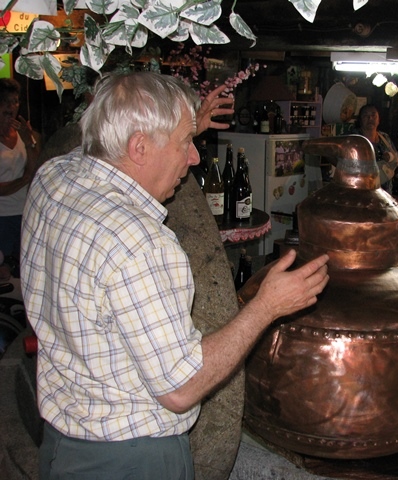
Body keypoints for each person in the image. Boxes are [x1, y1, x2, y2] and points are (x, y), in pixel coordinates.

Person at [20, 72, 330, 479]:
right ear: (140, 146)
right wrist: (266, 306)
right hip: (131, 461)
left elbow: (95, 144)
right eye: (186, 144)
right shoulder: (139, 243)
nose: (195, 157)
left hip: (64, 446)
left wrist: (185, 125)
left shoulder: (55, 177)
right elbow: (180, 389)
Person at [0, 78, 41, 277]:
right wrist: (25, 179)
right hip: (2, 216)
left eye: (15, 101)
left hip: (25, 212)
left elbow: (36, 169)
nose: (12, 107)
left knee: (25, 271)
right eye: (6, 102)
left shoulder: (21, 133)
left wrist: (29, 142)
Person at [352, 104, 398, 193]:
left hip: (385, 192)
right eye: (365, 115)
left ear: (378, 119)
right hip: (362, 192)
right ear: (360, 120)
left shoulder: (384, 137)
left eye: (373, 115)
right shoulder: (355, 138)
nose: (370, 118)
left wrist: (391, 158)